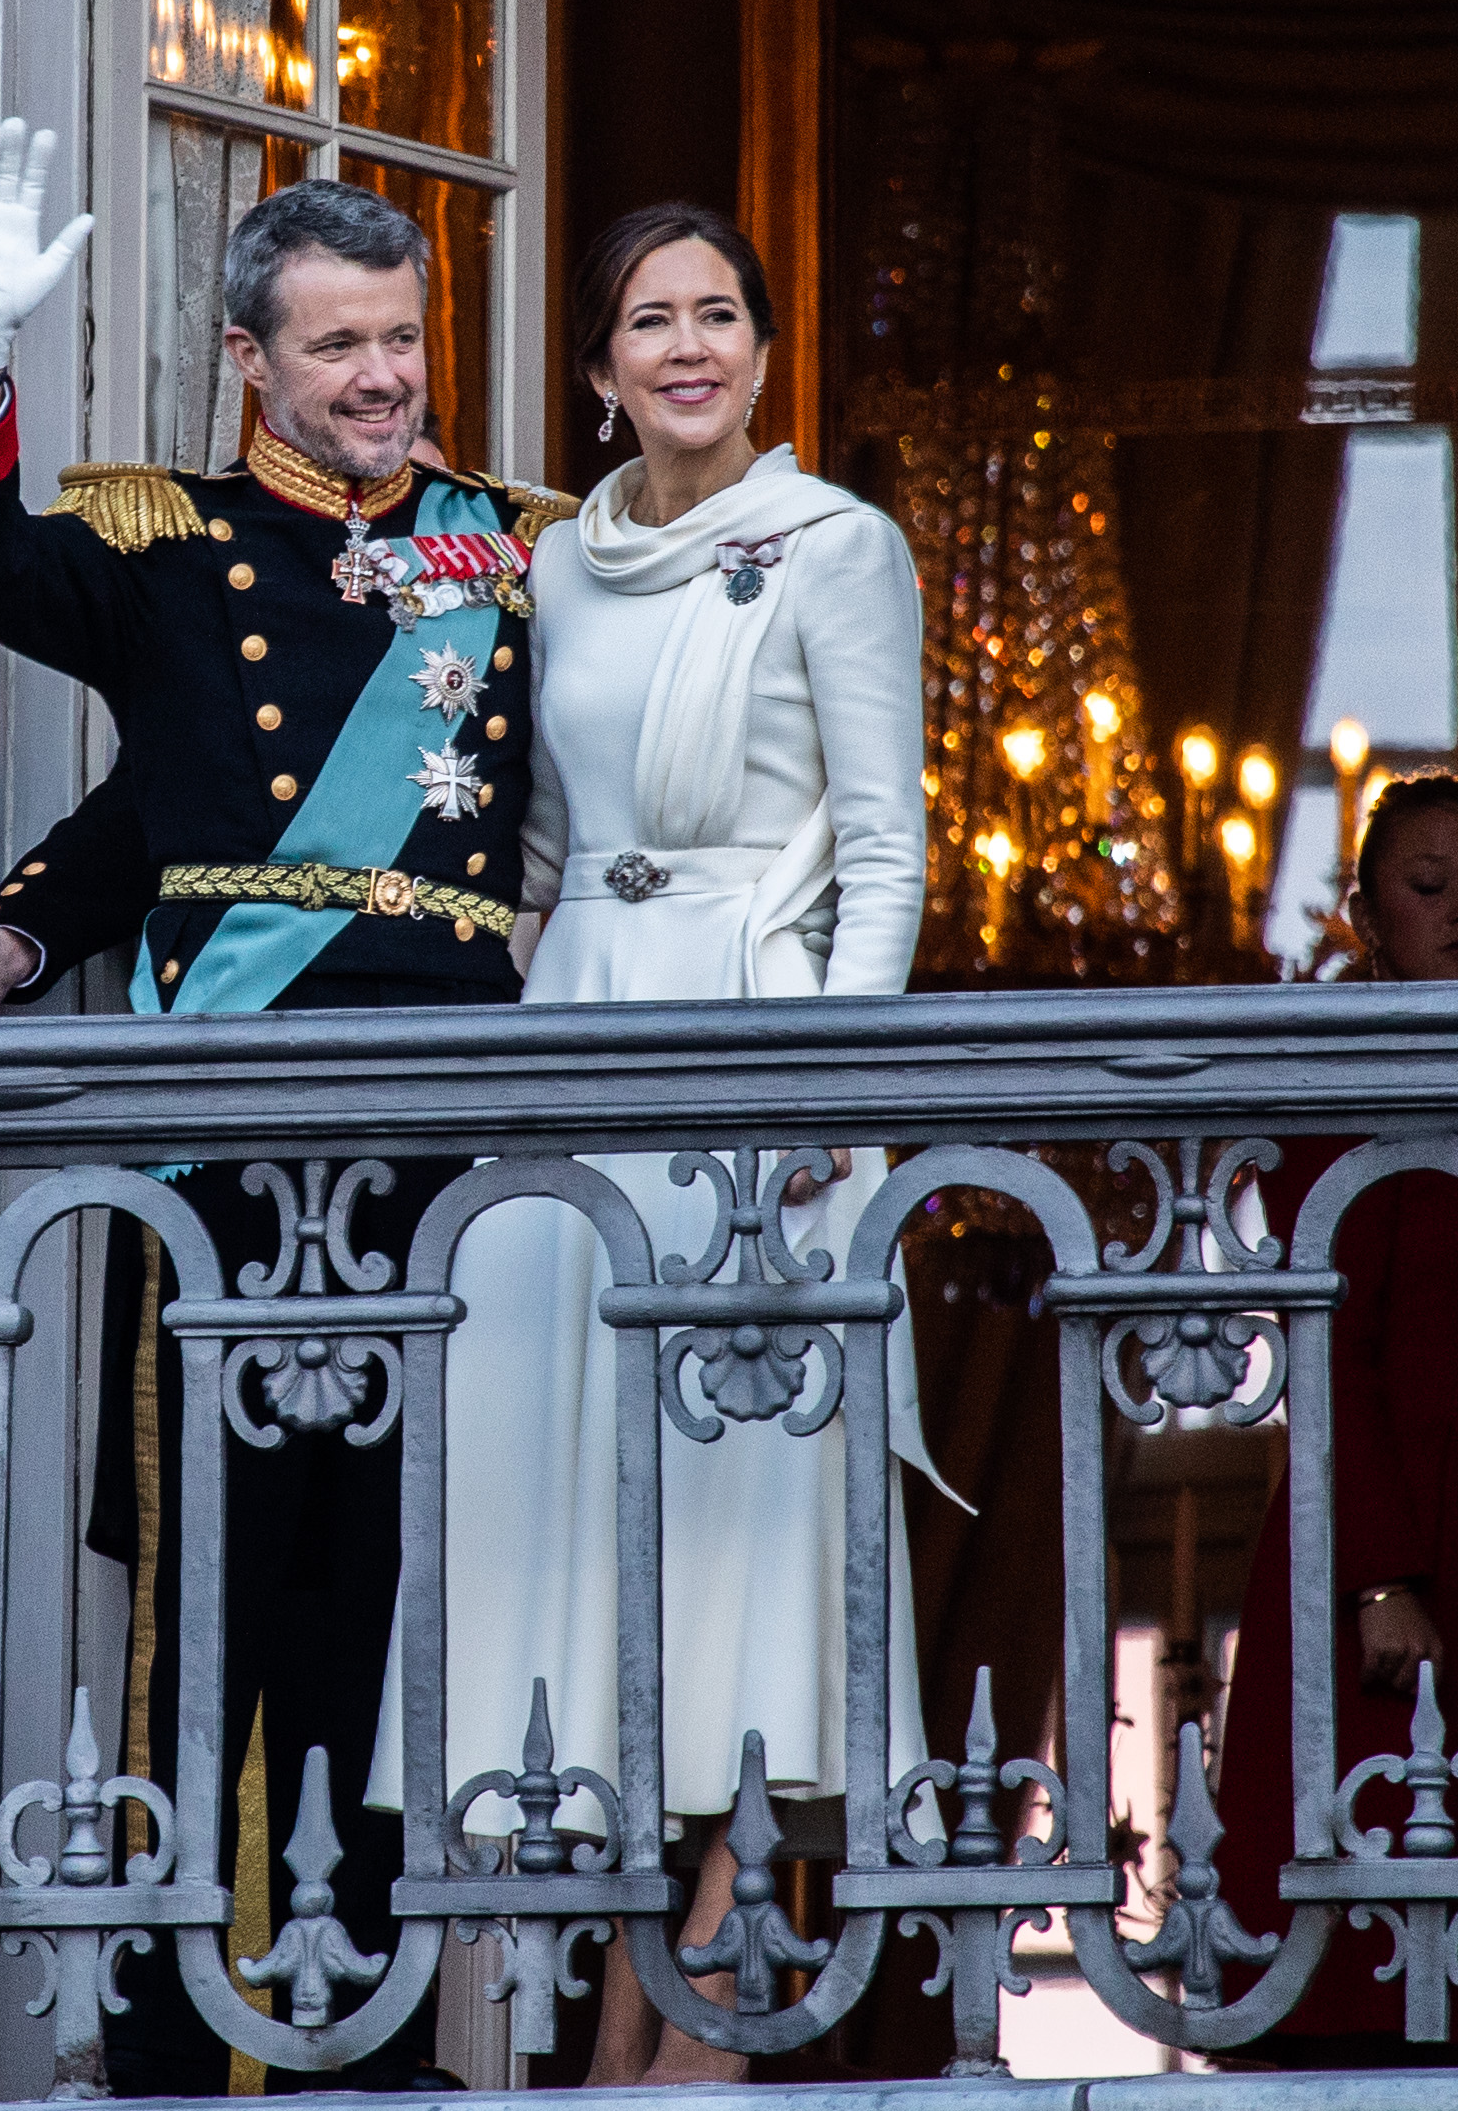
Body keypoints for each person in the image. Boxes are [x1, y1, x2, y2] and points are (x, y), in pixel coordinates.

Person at [0, 121, 573, 2094]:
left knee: (396, 1574)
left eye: (399, 342)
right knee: (204, 1582)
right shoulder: (159, 543)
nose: (378, 379)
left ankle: (364, 2039)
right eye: (337, 346)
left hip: (441, 1130)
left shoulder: (514, 551)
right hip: (225, 1123)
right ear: (248, 361)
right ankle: (172, 2041)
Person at [364, 202, 944, 2087]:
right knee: (565, 1559)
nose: (686, 344)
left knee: (745, 1572)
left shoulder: (836, 548)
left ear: (765, 354)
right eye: (647, 318)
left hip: (756, 1057)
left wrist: (831, 1107)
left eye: (719, 314)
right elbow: (520, 858)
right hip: (576, 1048)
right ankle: (578, 2044)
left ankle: (691, 2058)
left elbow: (885, 856)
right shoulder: (549, 566)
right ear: (599, 371)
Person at [1212, 774, 1458, 2065]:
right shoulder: (1335, 1065)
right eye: (1429, 890)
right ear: (1367, 910)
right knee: (1366, 1889)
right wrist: (1377, 1573)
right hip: (1377, 1522)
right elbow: (1326, 1340)